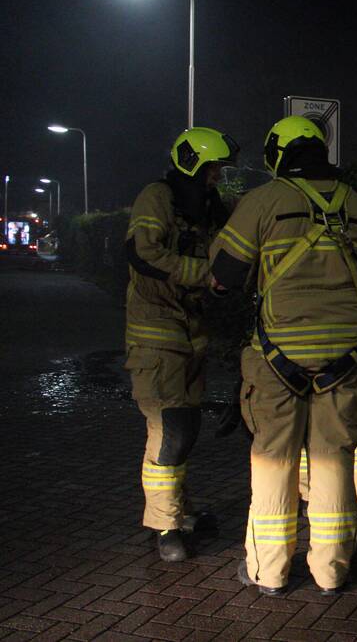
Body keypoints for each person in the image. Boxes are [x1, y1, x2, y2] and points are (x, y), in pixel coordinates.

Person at [208, 115, 357, 596]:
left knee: (274, 463)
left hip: (277, 359)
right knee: (334, 463)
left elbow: (223, 274)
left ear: (276, 153)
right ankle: (331, 572)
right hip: (346, 360)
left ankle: (269, 573)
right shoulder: (354, 203)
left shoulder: (264, 200)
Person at [124, 127, 237, 561]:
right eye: (212, 169)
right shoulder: (157, 197)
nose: (216, 178)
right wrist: (201, 273)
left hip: (191, 334)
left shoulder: (206, 207)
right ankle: (165, 525)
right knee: (169, 432)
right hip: (155, 335)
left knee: (185, 431)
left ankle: (181, 512)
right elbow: (144, 253)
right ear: (193, 164)